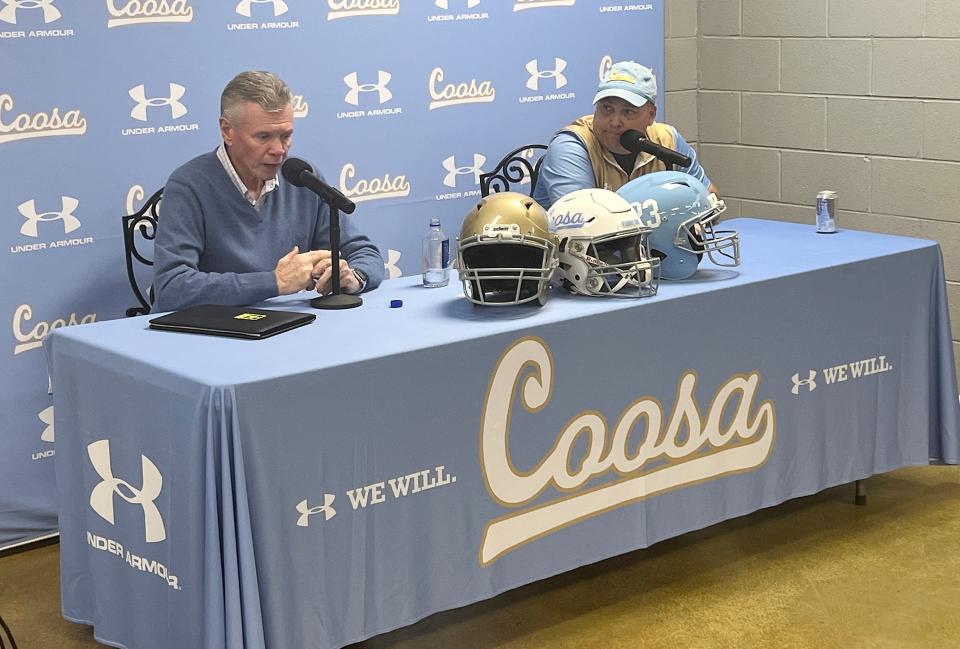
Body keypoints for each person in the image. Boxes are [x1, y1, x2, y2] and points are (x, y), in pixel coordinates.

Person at [152, 70, 384, 312]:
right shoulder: (188, 185)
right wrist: (275, 282)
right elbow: (172, 288)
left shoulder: (303, 177)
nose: (279, 150)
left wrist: (353, 278)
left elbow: (366, 254)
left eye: (286, 136)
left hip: (291, 328)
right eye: (263, 137)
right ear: (227, 130)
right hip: (214, 332)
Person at [533, 61, 716, 210]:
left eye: (628, 112)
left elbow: (711, 199)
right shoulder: (571, 146)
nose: (615, 121)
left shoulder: (667, 140)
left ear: (651, 115)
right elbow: (581, 225)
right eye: (607, 108)